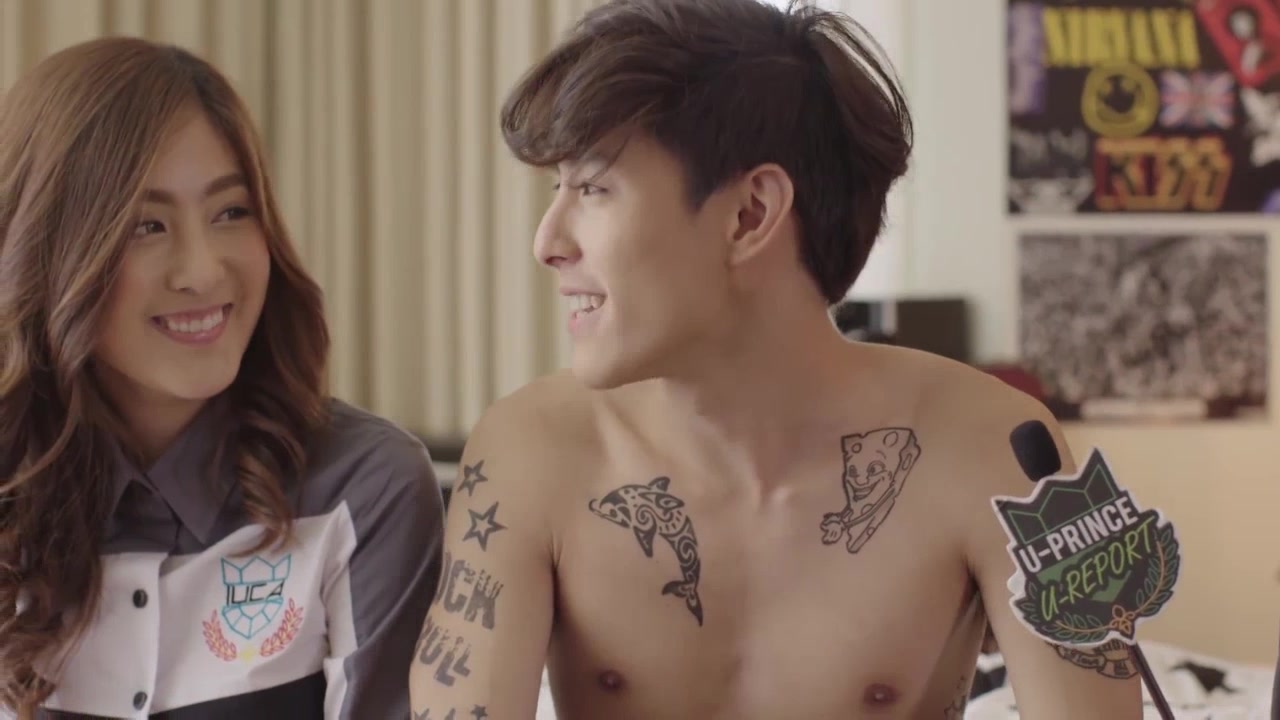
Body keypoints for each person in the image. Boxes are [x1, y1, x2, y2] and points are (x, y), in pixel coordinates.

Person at [408, 0, 1144, 718]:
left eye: (595, 188)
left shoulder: (1003, 449)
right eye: (558, 189)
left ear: (749, 214)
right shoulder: (528, 450)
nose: (547, 242)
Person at [0, 37, 444, 719]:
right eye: (146, 226)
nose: (203, 271)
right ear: (48, 250)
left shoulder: (365, 489)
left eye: (231, 212)